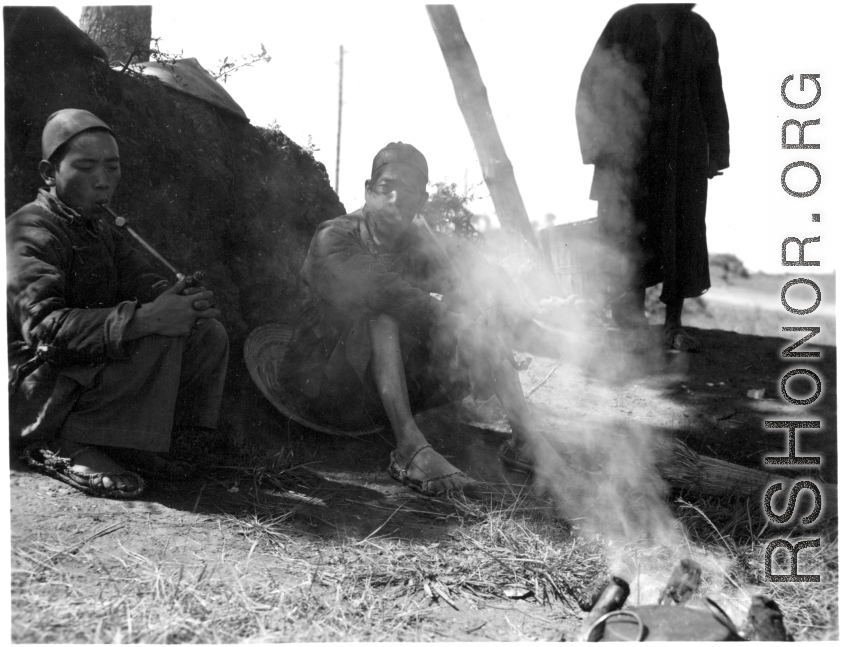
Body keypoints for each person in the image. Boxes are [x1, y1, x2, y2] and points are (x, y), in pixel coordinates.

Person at [283, 142, 558, 495]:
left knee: (483, 305)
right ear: (368, 190)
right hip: (323, 388)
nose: (397, 199)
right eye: (386, 188)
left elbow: (478, 275)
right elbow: (387, 293)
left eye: (410, 193)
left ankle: (525, 441)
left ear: (421, 203)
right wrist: (460, 327)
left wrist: (490, 314)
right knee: (384, 312)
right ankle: (409, 448)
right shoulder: (333, 238)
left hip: (375, 396)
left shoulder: (416, 244)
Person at [7, 109, 230, 499]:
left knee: (203, 331)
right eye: (86, 167)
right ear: (48, 172)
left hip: (80, 371)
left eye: (112, 168)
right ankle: (69, 441)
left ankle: (142, 444)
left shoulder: (100, 230)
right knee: (156, 330)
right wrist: (145, 318)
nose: (102, 182)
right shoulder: (28, 231)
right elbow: (46, 329)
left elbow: (140, 281)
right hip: (33, 383)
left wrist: (176, 298)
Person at [576, 3, 729, 351]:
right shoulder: (624, 22)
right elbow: (592, 84)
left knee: (681, 232)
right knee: (629, 232)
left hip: (682, 152)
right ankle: (632, 324)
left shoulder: (698, 30)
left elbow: (712, 93)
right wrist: (599, 145)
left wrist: (716, 152)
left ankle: (673, 325)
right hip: (629, 152)